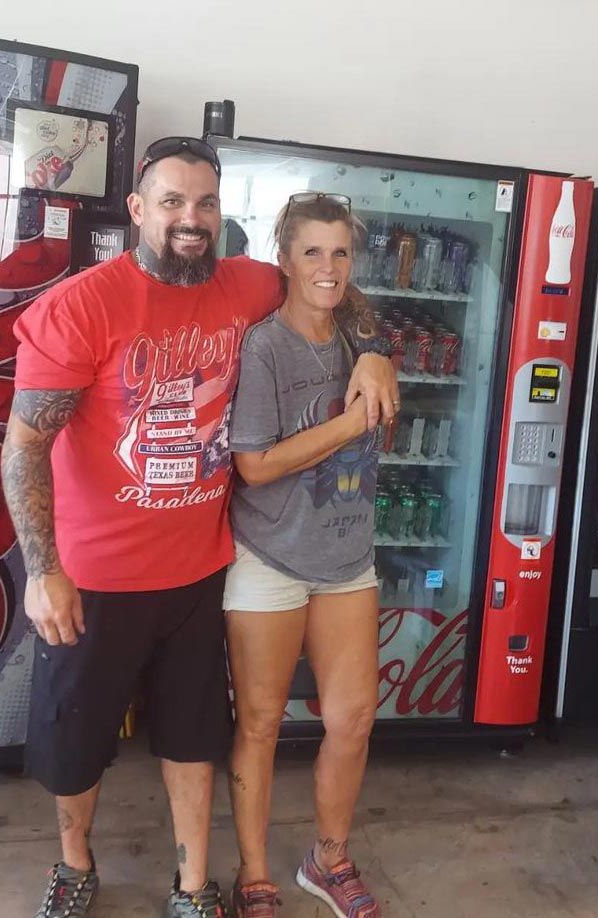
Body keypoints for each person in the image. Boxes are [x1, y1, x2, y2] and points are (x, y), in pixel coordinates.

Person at [0, 137, 398, 918]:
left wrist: (378, 349)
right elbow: (24, 445)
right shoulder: (82, 304)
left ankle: (192, 885)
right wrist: (42, 566)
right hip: (94, 577)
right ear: (139, 209)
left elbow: (330, 283)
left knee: (192, 741)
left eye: (206, 203)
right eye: (174, 202)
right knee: (78, 743)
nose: (192, 218)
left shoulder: (245, 284)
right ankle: (76, 865)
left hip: (200, 570)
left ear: (222, 213)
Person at [224, 193, 387, 918]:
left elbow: (387, 407)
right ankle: (255, 874)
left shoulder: (364, 337)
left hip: (348, 555)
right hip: (268, 556)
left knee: (353, 719)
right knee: (259, 723)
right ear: (283, 259)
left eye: (341, 251)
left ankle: (329, 859)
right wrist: (352, 422)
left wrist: (380, 359)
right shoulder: (263, 347)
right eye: (312, 251)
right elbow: (254, 466)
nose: (328, 267)